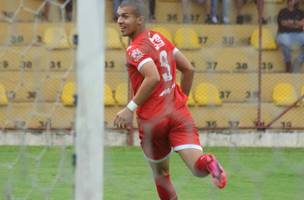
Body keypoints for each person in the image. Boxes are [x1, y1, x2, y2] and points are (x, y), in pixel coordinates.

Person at [114, 0, 227, 199]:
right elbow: (189, 69)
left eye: (125, 16)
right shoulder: (159, 38)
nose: (119, 21)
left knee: (161, 174)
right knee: (198, 169)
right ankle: (209, 161)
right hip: (178, 113)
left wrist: (129, 108)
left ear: (140, 19)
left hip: (153, 121)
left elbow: (153, 76)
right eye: (118, 16)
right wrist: (180, 99)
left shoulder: (134, 49)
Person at [276, 0, 304, 73]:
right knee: (285, 42)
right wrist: (296, 24)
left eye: (294, 1)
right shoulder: (283, 11)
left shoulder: (300, 12)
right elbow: (283, 23)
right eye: (291, 1)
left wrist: (292, 22)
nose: (293, 2)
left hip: (298, 34)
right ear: (287, 2)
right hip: (284, 33)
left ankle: (298, 60)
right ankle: (288, 62)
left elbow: (302, 24)